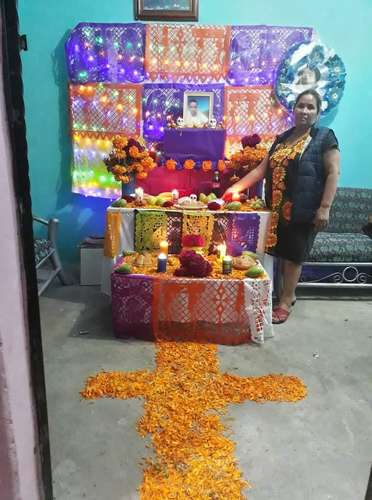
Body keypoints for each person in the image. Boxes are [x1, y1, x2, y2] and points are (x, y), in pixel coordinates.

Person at [224, 89, 340, 324]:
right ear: (293, 109)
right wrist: (233, 189)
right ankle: (286, 294)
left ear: (318, 113)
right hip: (276, 209)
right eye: (301, 106)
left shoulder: (324, 137)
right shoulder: (282, 138)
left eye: (311, 107)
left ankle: (286, 301)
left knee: (294, 255)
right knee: (282, 253)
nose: (305, 111)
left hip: (304, 208)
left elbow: (333, 172)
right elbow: (260, 170)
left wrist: (325, 207)